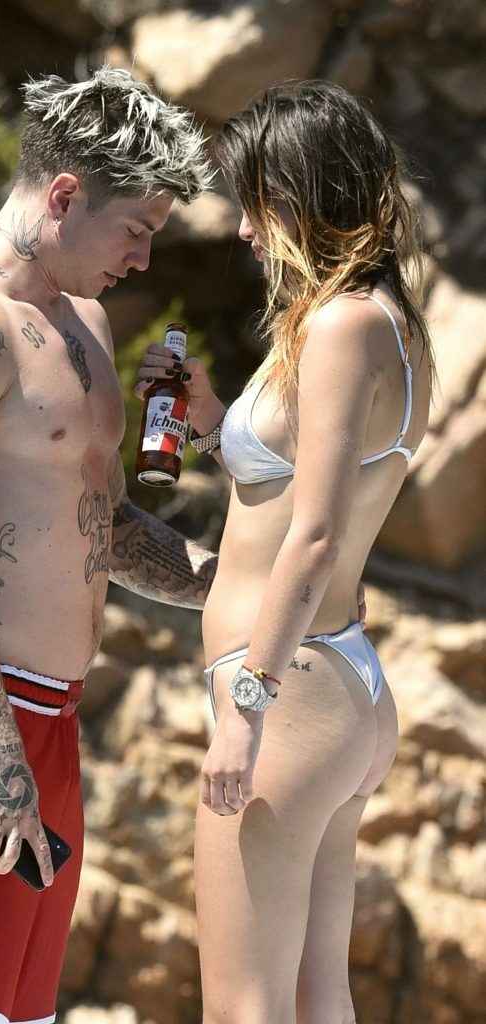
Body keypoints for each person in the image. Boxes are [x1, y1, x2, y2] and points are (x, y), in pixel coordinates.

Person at [0, 67, 219, 1024]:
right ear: (63, 196)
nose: (142, 260)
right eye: (134, 230)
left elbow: (103, 527)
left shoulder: (85, 326)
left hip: (49, 718)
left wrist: (233, 588)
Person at [135, 80, 435, 1024]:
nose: (244, 231)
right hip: (338, 687)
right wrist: (206, 417)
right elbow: (292, 486)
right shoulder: (381, 321)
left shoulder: (342, 327)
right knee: (316, 998)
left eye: (258, 203)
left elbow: (314, 535)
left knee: (243, 1009)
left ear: (307, 195)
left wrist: (244, 712)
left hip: (285, 693)